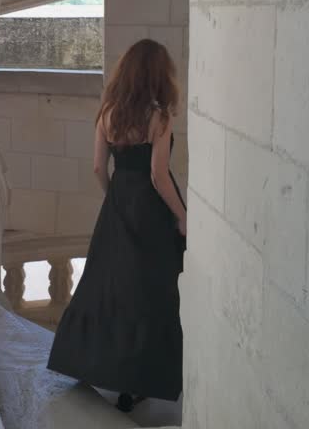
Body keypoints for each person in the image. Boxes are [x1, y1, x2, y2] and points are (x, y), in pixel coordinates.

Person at [46, 38, 187, 413]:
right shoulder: (160, 117)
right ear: (159, 75)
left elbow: (97, 167)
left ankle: (90, 363)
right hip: (151, 211)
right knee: (153, 290)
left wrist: (114, 197)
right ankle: (142, 380)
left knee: (106, 284)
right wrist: (183, 216)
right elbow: (159, 175)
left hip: (119, 204)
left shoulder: (107, 112)